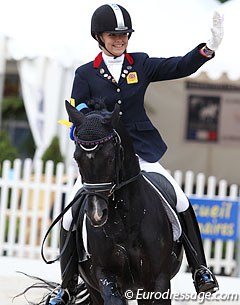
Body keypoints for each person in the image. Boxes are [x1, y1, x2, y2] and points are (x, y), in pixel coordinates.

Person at [49, 4, 224, 304]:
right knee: (69, 215)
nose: (120, 40)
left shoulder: (140, 64)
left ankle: (200, 269)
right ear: (99, 37)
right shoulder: (84, 74)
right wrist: (85, 132)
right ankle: (66, 286)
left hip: (140, 152)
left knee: (180, 199)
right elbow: (76, 113)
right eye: (113, 35)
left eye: (124, 34)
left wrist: (207, 49)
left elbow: (178, 65)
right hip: (102, 159)